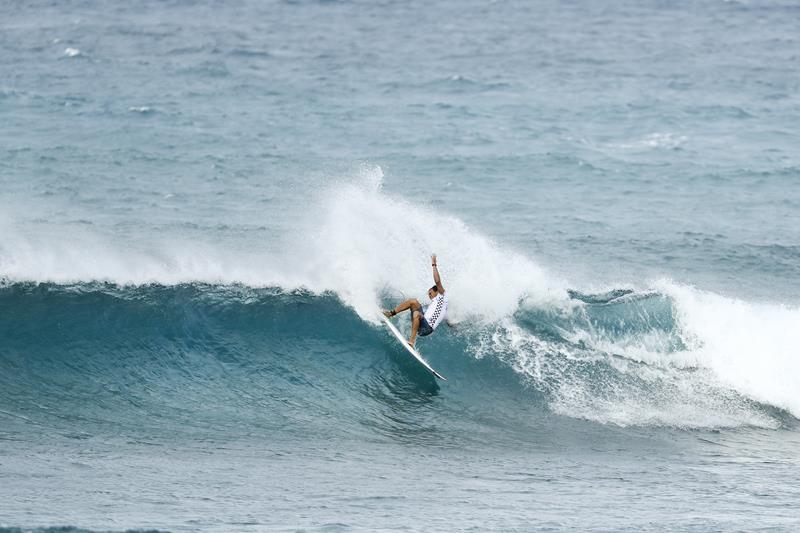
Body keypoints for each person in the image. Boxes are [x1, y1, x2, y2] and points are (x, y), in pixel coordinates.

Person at [382, 254, 449, 348]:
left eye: (430, 293)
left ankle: (411, 342)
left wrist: (434, 264)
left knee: (417, 314)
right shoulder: (437, 304)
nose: (429, 295)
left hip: (427, 328)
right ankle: (390, 313)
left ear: (436, 291)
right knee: (413, 301)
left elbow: (437, 282)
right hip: (423, 323)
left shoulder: (443, 296)